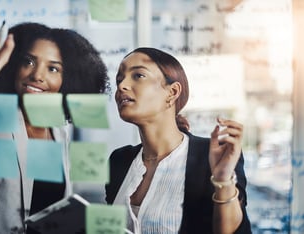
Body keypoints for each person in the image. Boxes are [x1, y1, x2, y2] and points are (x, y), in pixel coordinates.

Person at [0, 22, 109, 233]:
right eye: (29, 61)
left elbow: (47, 209)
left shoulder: (58, 131)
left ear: (68, 80)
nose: (37, 75)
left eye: (53, 68)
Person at [105, 47, 252, 233]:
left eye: (138, 76)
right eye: (119, 79)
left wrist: (222, 179)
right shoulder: (119, 161)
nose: (122, 85)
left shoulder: (210, 156)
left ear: (172, 92)